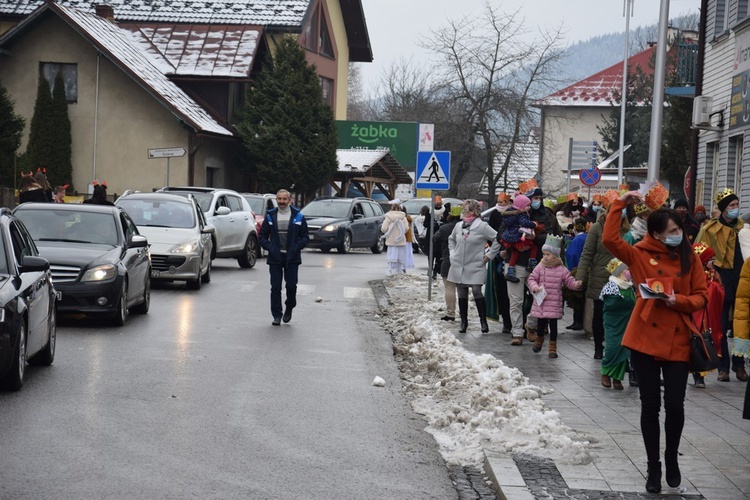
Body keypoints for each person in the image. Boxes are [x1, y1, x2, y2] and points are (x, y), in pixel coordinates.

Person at [603, 191, 708, 494]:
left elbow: (701, 295)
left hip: (678, 338)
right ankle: (653, 466)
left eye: (680, 230)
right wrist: (620, 204)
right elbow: (610, 240)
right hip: (645, 337)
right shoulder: (638, 252)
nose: (678, 235)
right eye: (672, 232)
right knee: (650, 406)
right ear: (657, 234)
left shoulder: (690, 256)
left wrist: (680, 300)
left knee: (675, 405)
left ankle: (671, 458)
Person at [696, 188, 746, 382]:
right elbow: (698, 254)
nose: (735, 208)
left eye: (737, 204)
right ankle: (723, 367)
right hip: (720, 280)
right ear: (723, 208)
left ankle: (739, 364)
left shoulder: (744, 228)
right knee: (720, 325)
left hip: (743, 279)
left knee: (742, 327)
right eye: (732, 205)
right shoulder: (709, 230)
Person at [576, 193, 630, 359]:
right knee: (599, 313)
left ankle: (615, 348)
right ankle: (598, 347)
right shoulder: (596, 228)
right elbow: (587, 253)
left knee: (619, 315)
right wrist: (580, 276)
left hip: (621, 277)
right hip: (600, 276)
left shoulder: (626, 230)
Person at [448, 199, 501, 334]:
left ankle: (483, 321)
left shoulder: (482, 226)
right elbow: (451, 239)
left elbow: (497, 239)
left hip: (475, 263)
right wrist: (452, 254)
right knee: (461, 292)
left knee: (477, 290)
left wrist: (489, 255)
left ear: (472, 211)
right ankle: (463, 322)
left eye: (465, 210)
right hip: (458, 263)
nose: (462, 213)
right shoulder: (459, 226)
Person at [526, 235, 583, 358]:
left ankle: (552, 347)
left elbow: (569, 280)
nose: (545, 256)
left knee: (553, 325)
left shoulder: (561, 269)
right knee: (540, 324)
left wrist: (576, 284)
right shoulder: (540, 267)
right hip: (541, 301)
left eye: (548, 254)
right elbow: (532, 278)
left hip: (554, 302)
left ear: (555, 255)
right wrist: (535, 287)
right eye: (544, 254)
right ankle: (539, 339)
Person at [258, 189, 309, 326]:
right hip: (275, 257)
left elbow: (305, 237)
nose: (281, 202)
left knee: (291, 286)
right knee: (275, 288)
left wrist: (295, 247)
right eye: (279, 199)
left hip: (292, 257)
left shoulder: (298, 216)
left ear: (290, 200)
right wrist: (271, 248)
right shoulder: (270, 216)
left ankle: (290, 306)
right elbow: (262, 237)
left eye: (284, 199)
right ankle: (276, 315)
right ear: (276, 200)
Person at [692, 242, 725, 388]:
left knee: (708, 340)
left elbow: (720, 292)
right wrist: (713, 287)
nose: (713, 262)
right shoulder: (697, 275)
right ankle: (698, 375)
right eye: (710, 259)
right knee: (698, 342)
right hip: (698, 315)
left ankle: (703, 371)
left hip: (710, 315)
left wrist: (716, 285)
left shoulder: (713, 275)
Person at [599, 258, 635, 390]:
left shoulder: (630, 286)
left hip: (627, 322)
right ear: (619, 272)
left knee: (624, 348)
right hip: (613, 322)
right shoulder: (611, 286)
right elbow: (611, 304)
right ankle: (605, 372)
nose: (628, 272)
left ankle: (617, 378)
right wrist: (627, 303)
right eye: (626, 270)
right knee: (613, 347)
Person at [487, 192, 513, 333]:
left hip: (514, 254)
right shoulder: (495, 214)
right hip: (499, 256)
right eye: (499, 201)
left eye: (503, 202)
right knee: (502, 290)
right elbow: (492, 236)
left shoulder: (514, 214)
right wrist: (495, 250)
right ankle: (506, 321)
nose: (500, 204)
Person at [498, 194, 536, 283]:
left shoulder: (509, 213)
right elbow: (524, 223)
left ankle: (510, 272)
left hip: (508, 237)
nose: (529, 207)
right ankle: (531, 263)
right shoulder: (520, 214)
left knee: (514, 253)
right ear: (522, 206)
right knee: (533, 247)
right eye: (527, 205)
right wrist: (534, 224)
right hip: (517, 237)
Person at [434, 206, 462, 321]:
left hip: (448, 260)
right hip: (463, 261)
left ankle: (451, 313)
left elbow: (434, 239)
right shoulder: (466, 228)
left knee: (449, 288)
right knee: (462, 289)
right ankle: (464, 315)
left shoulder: (444, 228)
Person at [564, 217, 588, 331]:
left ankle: (577, 321)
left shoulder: (577, 240)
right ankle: (578, 321)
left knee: (577, 297)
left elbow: (571, 254)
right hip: (584, 270)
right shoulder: (586, 238)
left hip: (576, 270)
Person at [381, 199, 413, 275]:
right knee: (400, 255)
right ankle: (399, 270)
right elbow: (406, 228)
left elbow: (384, 228)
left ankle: (389, 270)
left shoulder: (388, 217)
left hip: (391, 240)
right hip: (400, 240)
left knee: (391, 255)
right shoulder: (403, 217)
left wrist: (388, 231)